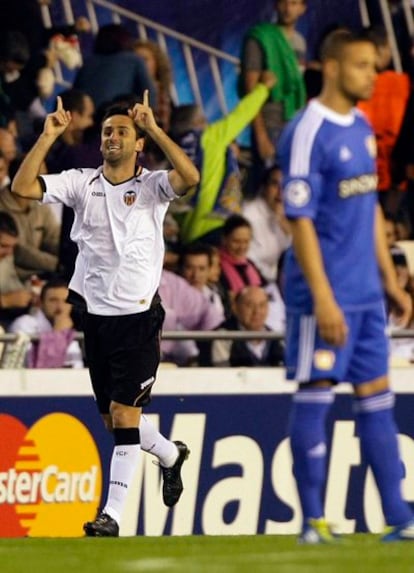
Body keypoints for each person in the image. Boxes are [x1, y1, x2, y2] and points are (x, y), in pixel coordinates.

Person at [11, 91, 200, 537]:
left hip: (138, 319)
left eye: (122, 132)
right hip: (95, 318)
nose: (112, 137)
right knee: (112, 418)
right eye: (107, 131)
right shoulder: (82, 182)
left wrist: (155, 128)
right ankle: (171, 455)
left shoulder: (153, 186)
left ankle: (110, 517)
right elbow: (21, 189)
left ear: (137, 144)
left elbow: (189, 177)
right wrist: (46, 137)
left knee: (124, 414)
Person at [278, 28, 414, 543]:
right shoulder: (307, 131)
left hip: (365, 297)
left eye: (373, 66)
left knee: (378, 399)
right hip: (324, 299)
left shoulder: (360, 126)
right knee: (315, 394)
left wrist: (389, 279)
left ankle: (400, 518)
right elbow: (300, 220)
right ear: (331, 68)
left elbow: (371, 207)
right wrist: (324, 298)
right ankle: (312, 521)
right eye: (362, 65)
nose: (372, 75)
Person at [240, 0, 307, 191]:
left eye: (294, 3)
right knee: (264, 187)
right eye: (284, 3)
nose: (288, 9)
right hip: (269, 124)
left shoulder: (300, 42)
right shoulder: (260, 38)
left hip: (293, 123)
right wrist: (261, 135)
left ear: (303, 8)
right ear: (276, 6)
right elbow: (250, 91)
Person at [8, 277, 84, 368]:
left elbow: (77, 368)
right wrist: (58, 334)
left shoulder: (68, 328)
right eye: (53, 300)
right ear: (40, 303)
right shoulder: (23, 324)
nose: (60, 307)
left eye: (65, 301)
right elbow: (33, 366)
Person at [211, 286, 284, 367]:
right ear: (235, 308)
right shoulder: (224, 336)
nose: (257, 311)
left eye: (262, 305)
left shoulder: (275, 338)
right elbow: (222, 374)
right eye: (250, 305)